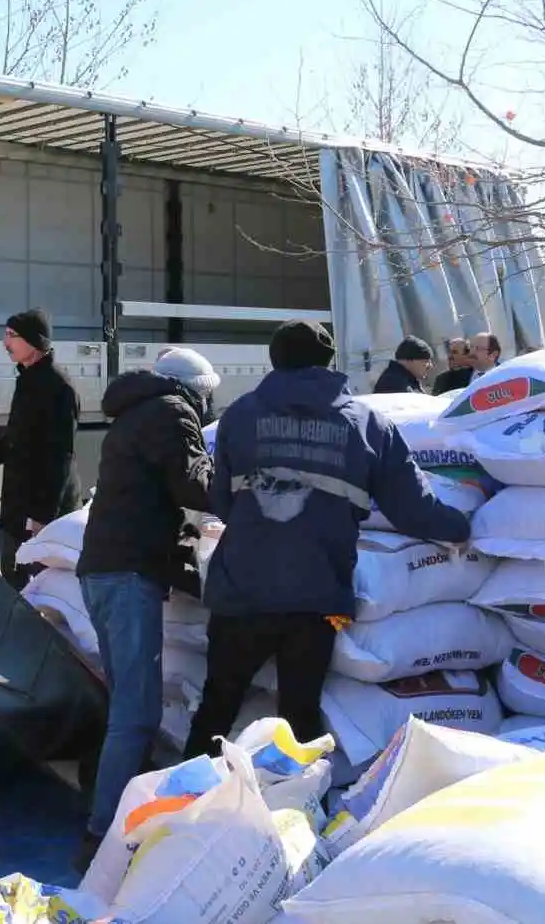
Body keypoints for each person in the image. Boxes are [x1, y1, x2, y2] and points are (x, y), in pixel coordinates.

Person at [182, 319, 471, 759]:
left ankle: (186, 809)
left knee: (217, 708)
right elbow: (412, 509)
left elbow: (220, 499)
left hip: (241, 589)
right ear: (328, 361)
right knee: (300, 716)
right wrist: (463, 528)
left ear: (274, 360)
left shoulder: (240, 415)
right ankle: (293, 814)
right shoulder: (368, 425)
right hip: (316, 597)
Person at [71, 347, 218, 871]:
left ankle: (111, 815)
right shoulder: (171, 413)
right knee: (137, 713)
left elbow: (148, 492)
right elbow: (193, 484)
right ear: (196, 389)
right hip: (129, 573)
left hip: (104, 569)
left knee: (125, 707)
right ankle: (102, 837)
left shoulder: (134, 414)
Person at [0, 308, 82, 591]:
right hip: (21, 505)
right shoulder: (28, 379)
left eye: (11, 336)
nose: (5, 343)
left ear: (34, 340)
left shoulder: (58, 387)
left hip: (42, 508)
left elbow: (60, 456)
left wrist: (43, 518)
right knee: (13, 576)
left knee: (41, 586)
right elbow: (20, 435)